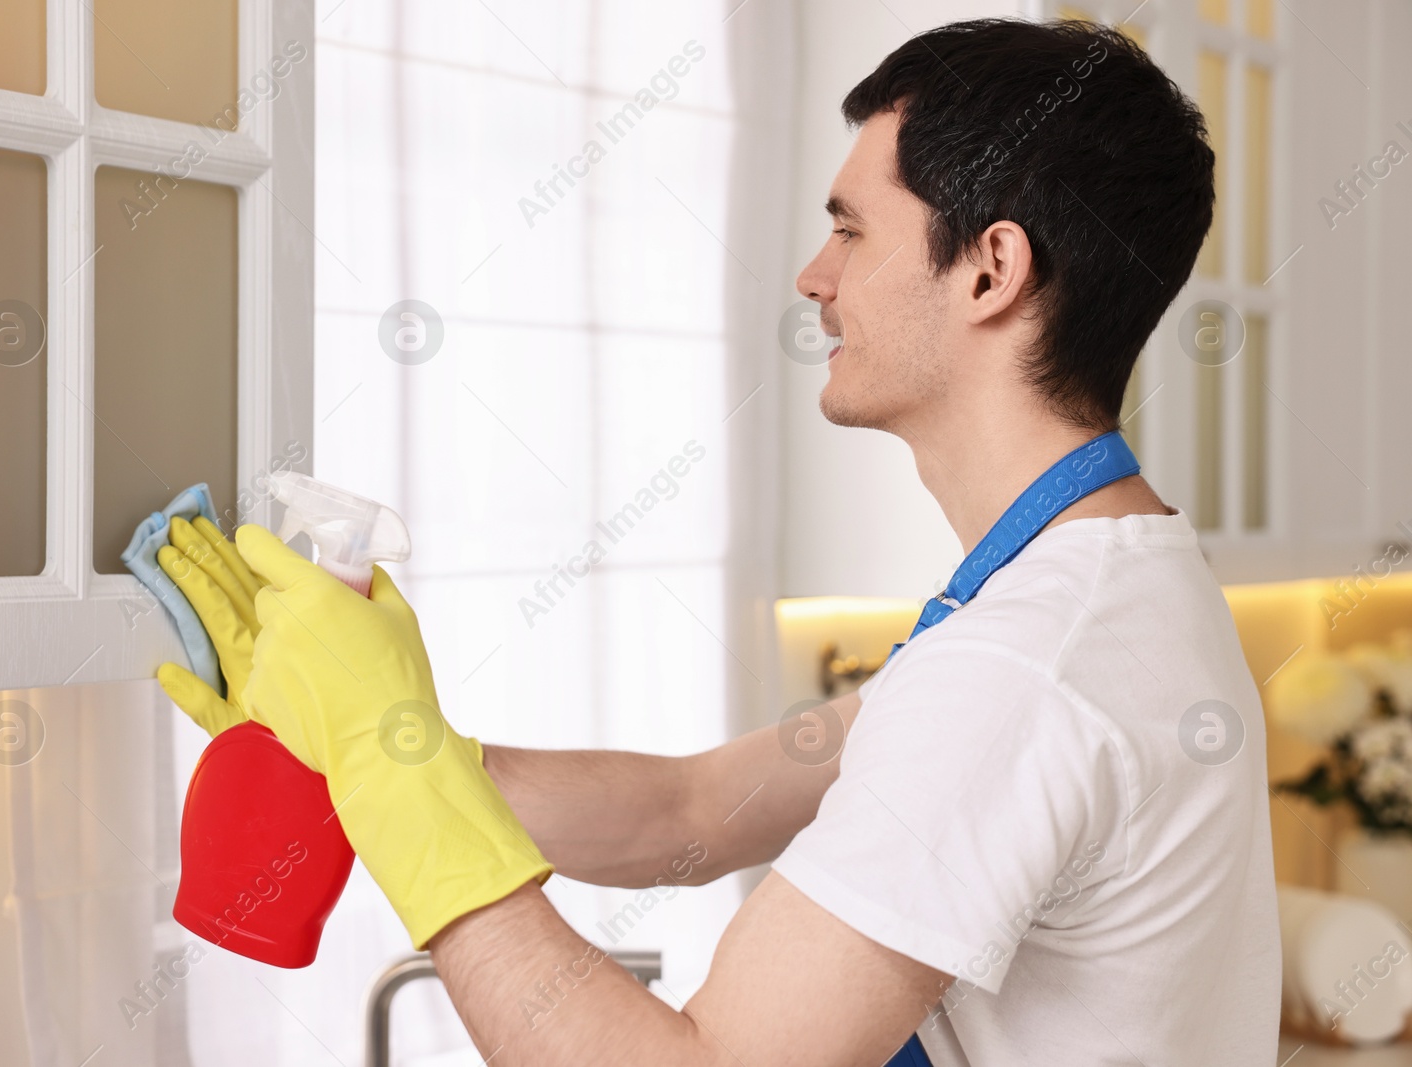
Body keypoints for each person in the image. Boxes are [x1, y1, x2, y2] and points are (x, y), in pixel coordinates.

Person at [156, 17, 1279, 1066]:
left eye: (849, 227)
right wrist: (385, 738)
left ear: (990, 268)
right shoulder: (1098, 585)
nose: (814, 275)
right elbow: (685, 813)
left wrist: (380, 757)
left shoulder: (1025, 668)